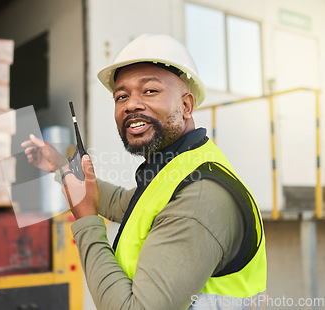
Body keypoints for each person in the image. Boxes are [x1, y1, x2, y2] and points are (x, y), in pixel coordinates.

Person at [22, 34, 267, 309]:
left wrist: (87, 219)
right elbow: (123, 204)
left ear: (186, 106)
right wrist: (61, 166)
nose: (130, 104)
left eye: (150, 91)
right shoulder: (178, 166)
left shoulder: (199, 197)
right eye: (121, 96)